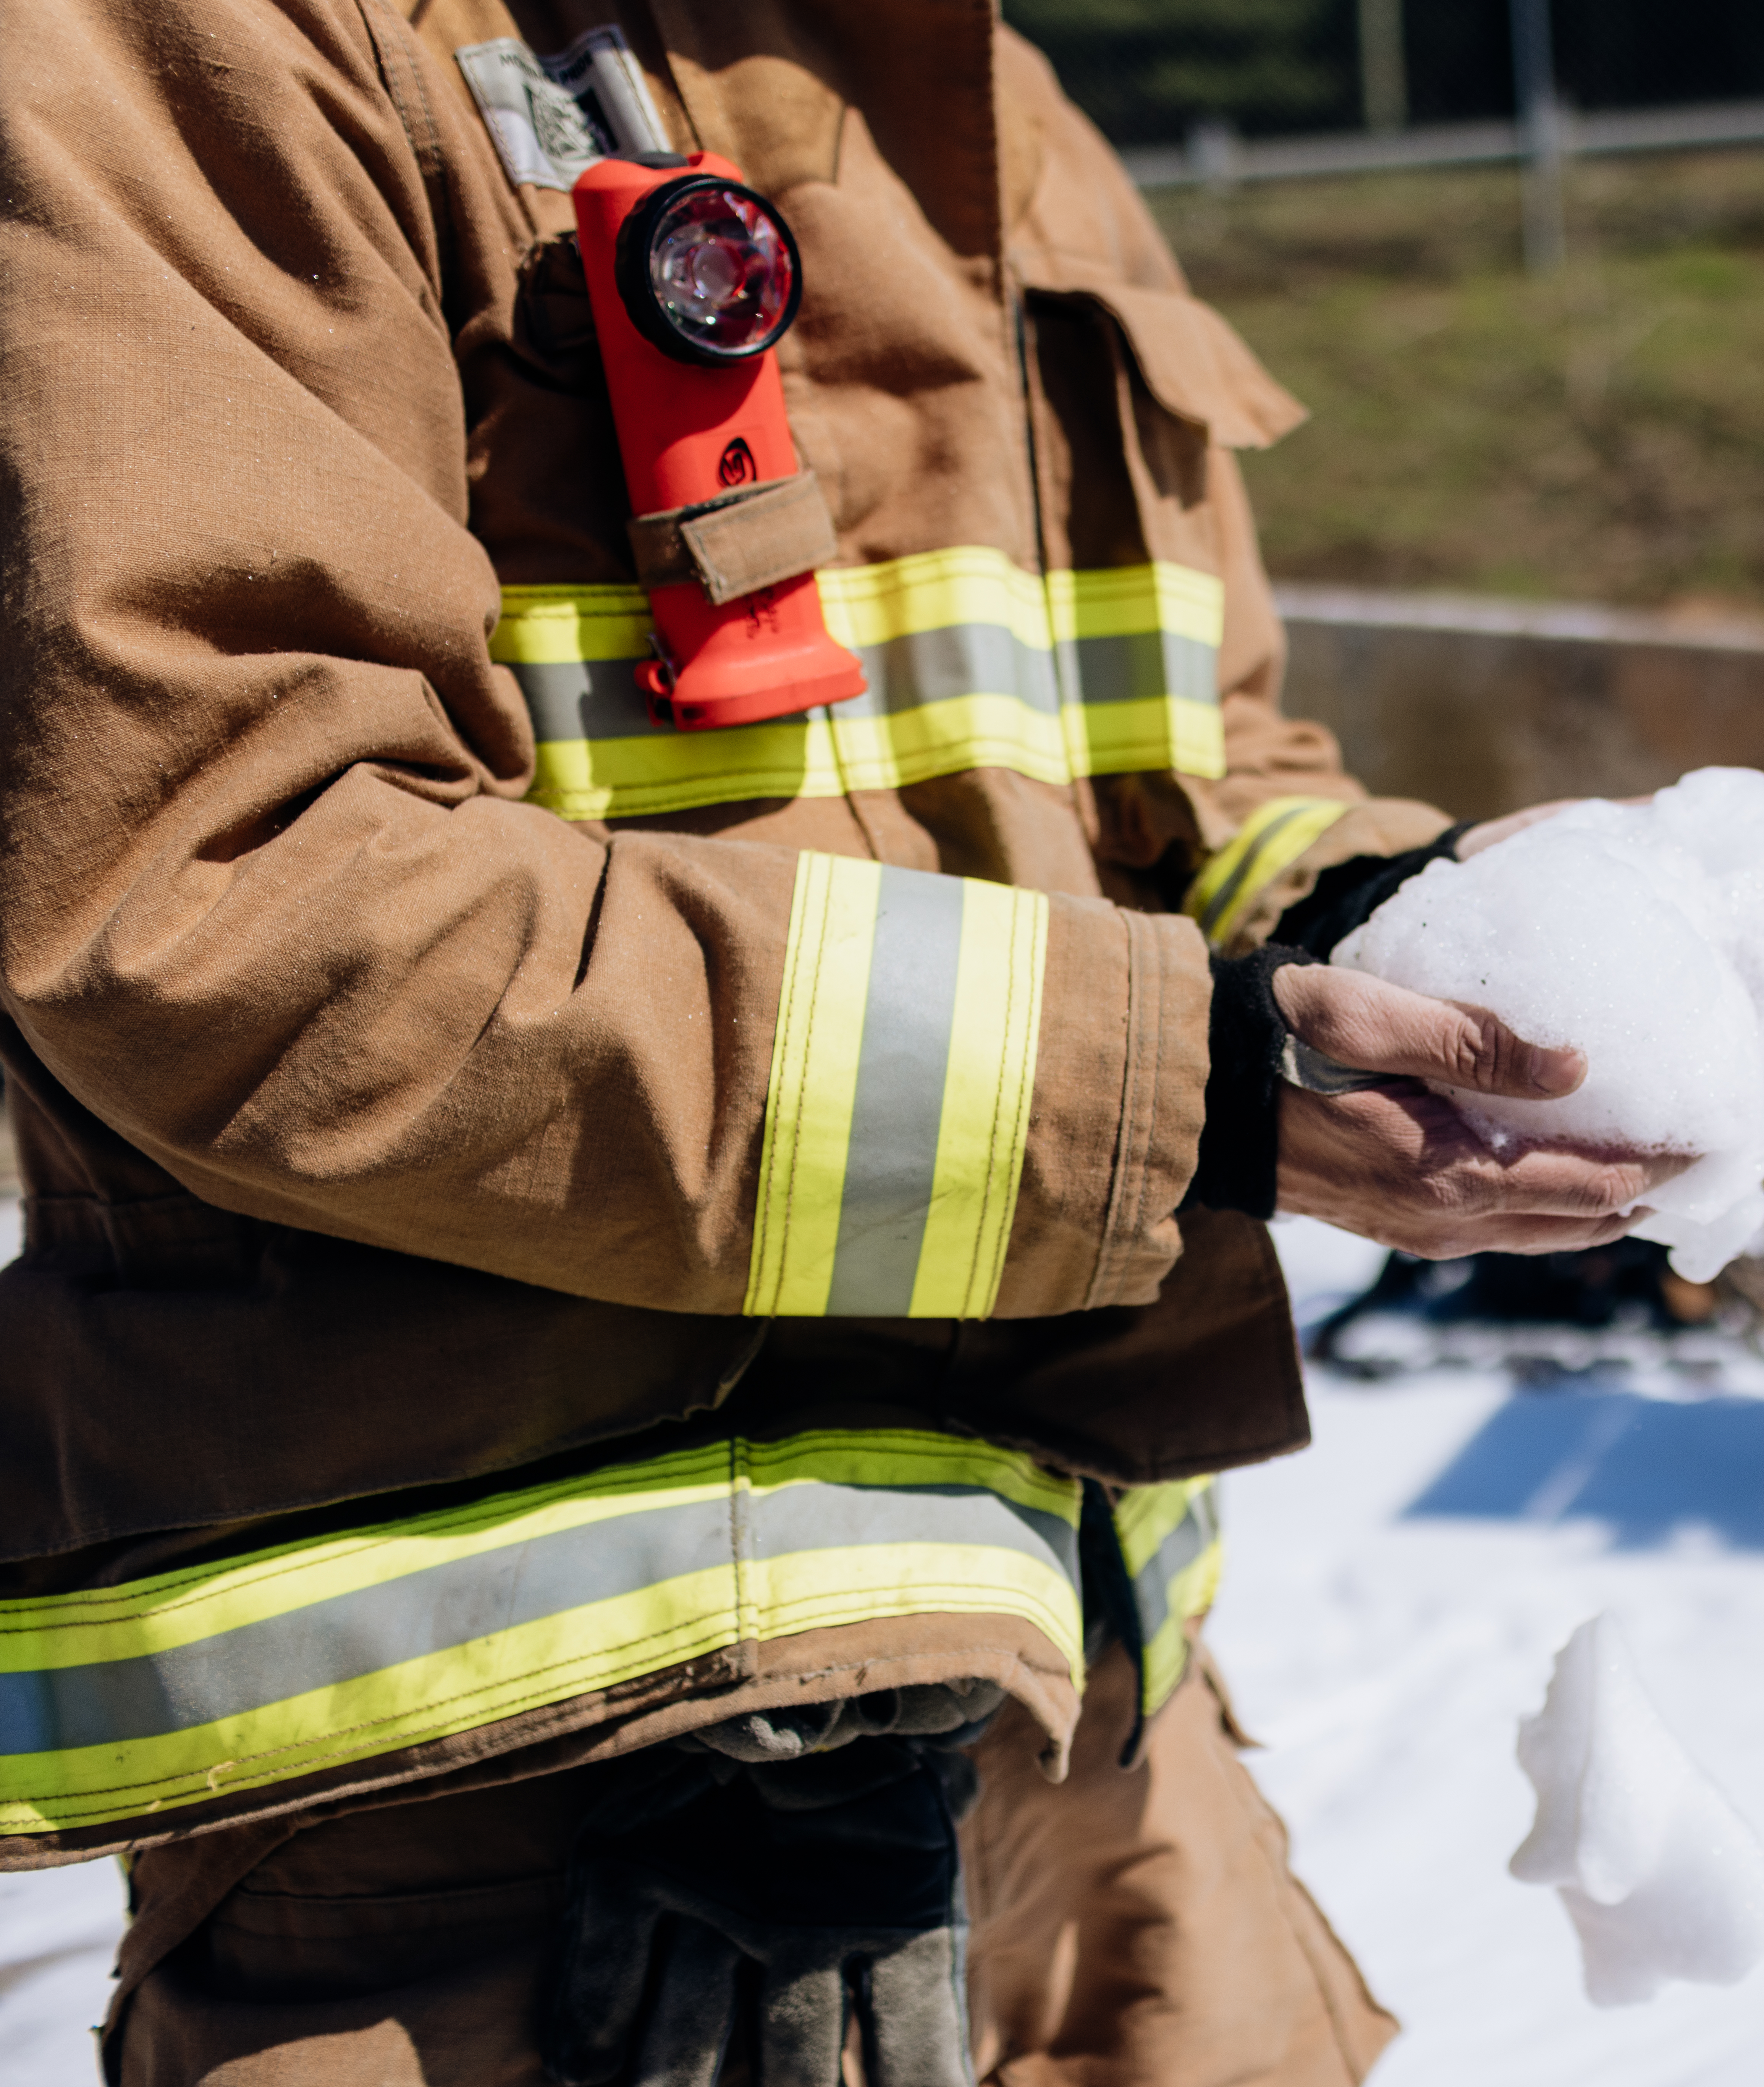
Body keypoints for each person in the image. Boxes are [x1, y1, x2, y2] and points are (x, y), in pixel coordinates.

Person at [0, 3, 1669, 2081]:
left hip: (1098, 1741)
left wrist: (1418, 943)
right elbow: (221, 900)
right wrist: (1170, 1080)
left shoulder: (990, 100)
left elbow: (1184, 766)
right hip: (513, 1845)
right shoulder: (197, 48)